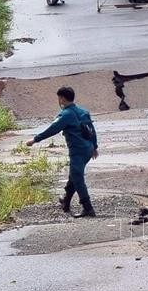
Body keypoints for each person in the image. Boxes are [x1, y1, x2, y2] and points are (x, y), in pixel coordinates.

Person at [26, 86, 99, 217]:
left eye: (59, 98)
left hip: (77, 151)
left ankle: (88, 208)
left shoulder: (66, 115)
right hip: (88, 149)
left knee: (77, 178)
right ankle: (66, 200)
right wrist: (95, 146)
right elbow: (92, 129)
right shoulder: (83, 111)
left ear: (62, 98)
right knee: (74, 175)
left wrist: (35, 140)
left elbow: (53, 129)